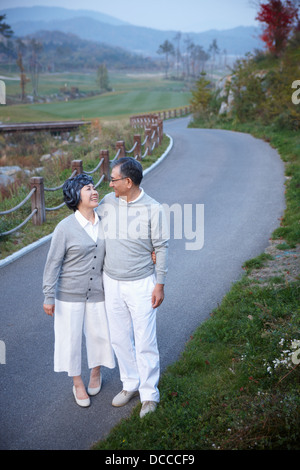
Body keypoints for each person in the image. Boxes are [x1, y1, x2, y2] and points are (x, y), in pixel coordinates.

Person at [97, 157, 169, 418]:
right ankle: (131, 384)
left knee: (145, 340)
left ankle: (150, 395)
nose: (110, 183)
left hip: (142, 283)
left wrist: (159, 284)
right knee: (119, 338)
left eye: (114, 179)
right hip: (112, 281)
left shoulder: (154, 209)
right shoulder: (107, 202)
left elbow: (161, 248)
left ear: (128, 182)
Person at [43, 174, 115, 407]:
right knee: (70, 340)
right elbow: (52, 263)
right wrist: (48, 295)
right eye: (87, 189)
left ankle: (95, 372)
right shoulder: (64, 228)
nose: (94, 192)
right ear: (76, 196)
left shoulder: (104, 220)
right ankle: (77, 383)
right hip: (69, 295)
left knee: (99, 335)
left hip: (98, 292)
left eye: (94, 188)